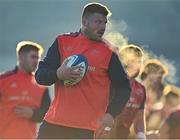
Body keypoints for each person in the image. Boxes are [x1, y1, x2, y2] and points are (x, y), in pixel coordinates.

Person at [35, 2, 131, 139]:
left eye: (104, 23)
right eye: (98, 22)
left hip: (86, 130)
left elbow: (124, 88)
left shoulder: (109, 53)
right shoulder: (62, 42)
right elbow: (40, 76)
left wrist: (111, 114)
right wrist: (58, 74)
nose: (102, 27)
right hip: (53, 124)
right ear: (84, 21)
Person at [0, 41, 51, 139]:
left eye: (37, 57)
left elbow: (47, 114)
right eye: (32, 57)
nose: (36, 61)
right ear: (21, 57)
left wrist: (33, 114)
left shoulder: (41, 86)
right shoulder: (3, 80)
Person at [102, 44, 146, 139]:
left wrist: (141, 135)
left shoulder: (141, 89)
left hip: (122, 136)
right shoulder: (109, 82)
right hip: (102, 134)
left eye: (140, 61)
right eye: (134, 61)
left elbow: (139, 118)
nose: (138, 65)